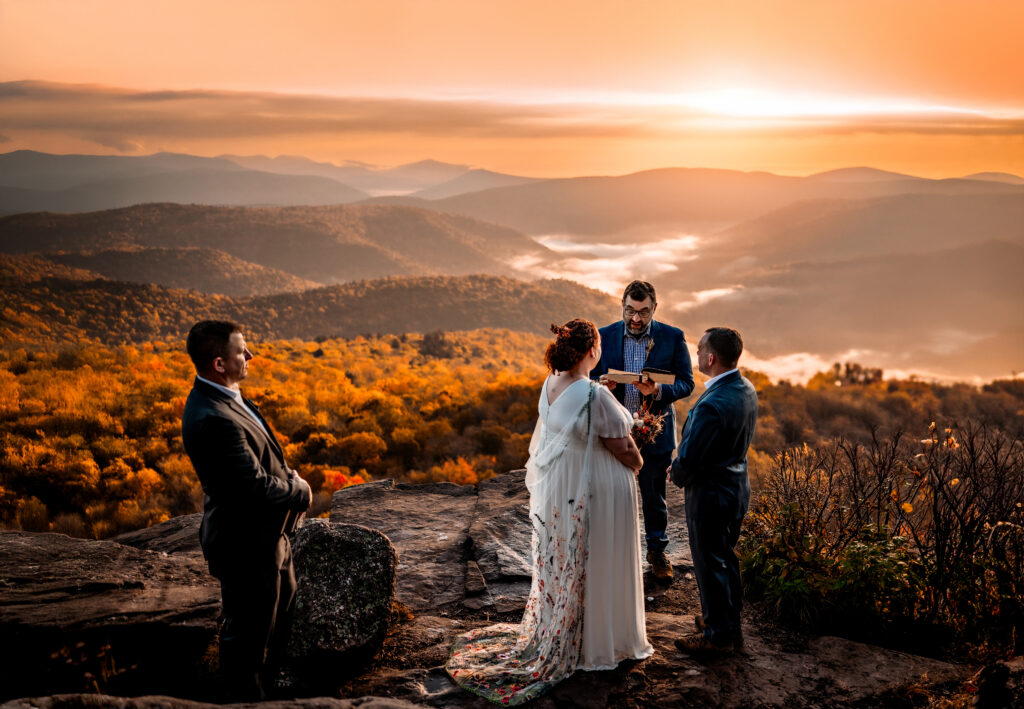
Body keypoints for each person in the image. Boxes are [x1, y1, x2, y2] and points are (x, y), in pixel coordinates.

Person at [446, 319, 654, 705]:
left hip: (564, 488)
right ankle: (600, 644)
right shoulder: (594, 395)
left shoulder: (551, 384)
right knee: (600, 558)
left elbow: (563, 431)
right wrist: (640, 461)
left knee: (569, 558)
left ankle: (566, 627)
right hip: (596, 491)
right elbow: (623, 449)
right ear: (591, 350)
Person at [181, 320, 312, 700]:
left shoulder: (227, 396)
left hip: (271, 537)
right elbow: (250, 488)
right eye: (242, 351)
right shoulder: (213, 418)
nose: (250, 355)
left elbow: (264, 456)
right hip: (245, 545)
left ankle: (271, 686)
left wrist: (287, 473)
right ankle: (245, 698)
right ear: (220, 363)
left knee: (279, 615)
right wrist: (298, 490)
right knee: (249, 635)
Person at [592, 280, 694, 583]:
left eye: (643, 312)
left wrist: (659, 389)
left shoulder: (673, 338)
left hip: (655, 430)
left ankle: (657, 551)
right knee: (610, 493)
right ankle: (610, 553)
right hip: (614, 431)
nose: (636, 319)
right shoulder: (604, 335)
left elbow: (686, 383)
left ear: (655, 308)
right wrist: (602, 385)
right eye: (630, 311)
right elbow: (589, 375)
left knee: (654, 496)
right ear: (622, 305)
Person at [669, 327, 758, 655]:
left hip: (711, 495)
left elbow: (692, 456)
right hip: (735, 488)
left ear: (710, 358)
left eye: (699, 351)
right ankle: (726, 621)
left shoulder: (713, 404)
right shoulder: (745, 388)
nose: (696, 356)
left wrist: (675, 470)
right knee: (725, 557)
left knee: (709, 563)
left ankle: (718, 637)